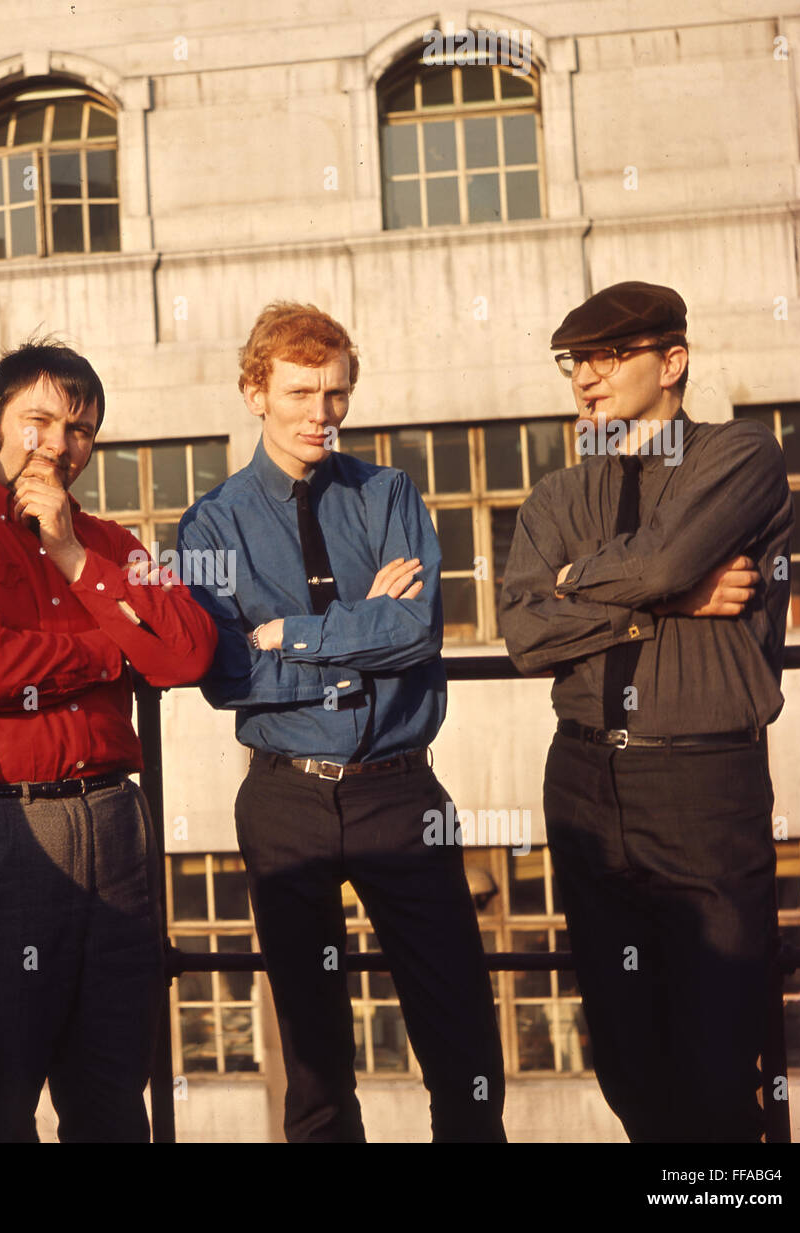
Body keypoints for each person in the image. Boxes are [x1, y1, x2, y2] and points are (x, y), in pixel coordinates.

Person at [0, 340, 217, 1142]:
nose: (60, 445)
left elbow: (189, 652)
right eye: (40, 420)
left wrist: (71, 554)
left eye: (82, 429)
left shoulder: (108, 542)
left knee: (112, 1098)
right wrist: (111, 649)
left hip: (113, 827)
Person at [176, 302, 505, 1143]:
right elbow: (224, 673)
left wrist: (293, 633)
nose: (321, 415)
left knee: (460, 1028)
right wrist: (361, 629)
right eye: (300, 393)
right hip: (286, 798)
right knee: (314, 1050)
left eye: (336, 394)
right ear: (256, 393)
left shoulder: (388, 492)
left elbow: (416, 630)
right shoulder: (211, 523)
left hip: (401, 788)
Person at [499, 280, 793, 1142]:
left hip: (703, 783)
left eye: (610, 357)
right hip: (587, 781)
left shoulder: (740, 457)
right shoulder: (558, 497)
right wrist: (655, 600)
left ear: (673, 363)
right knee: (628, 1066)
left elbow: (663, 561)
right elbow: (522, 631)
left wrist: (574, 586)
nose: (587, 378)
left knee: (716, 1067)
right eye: (575, 362)